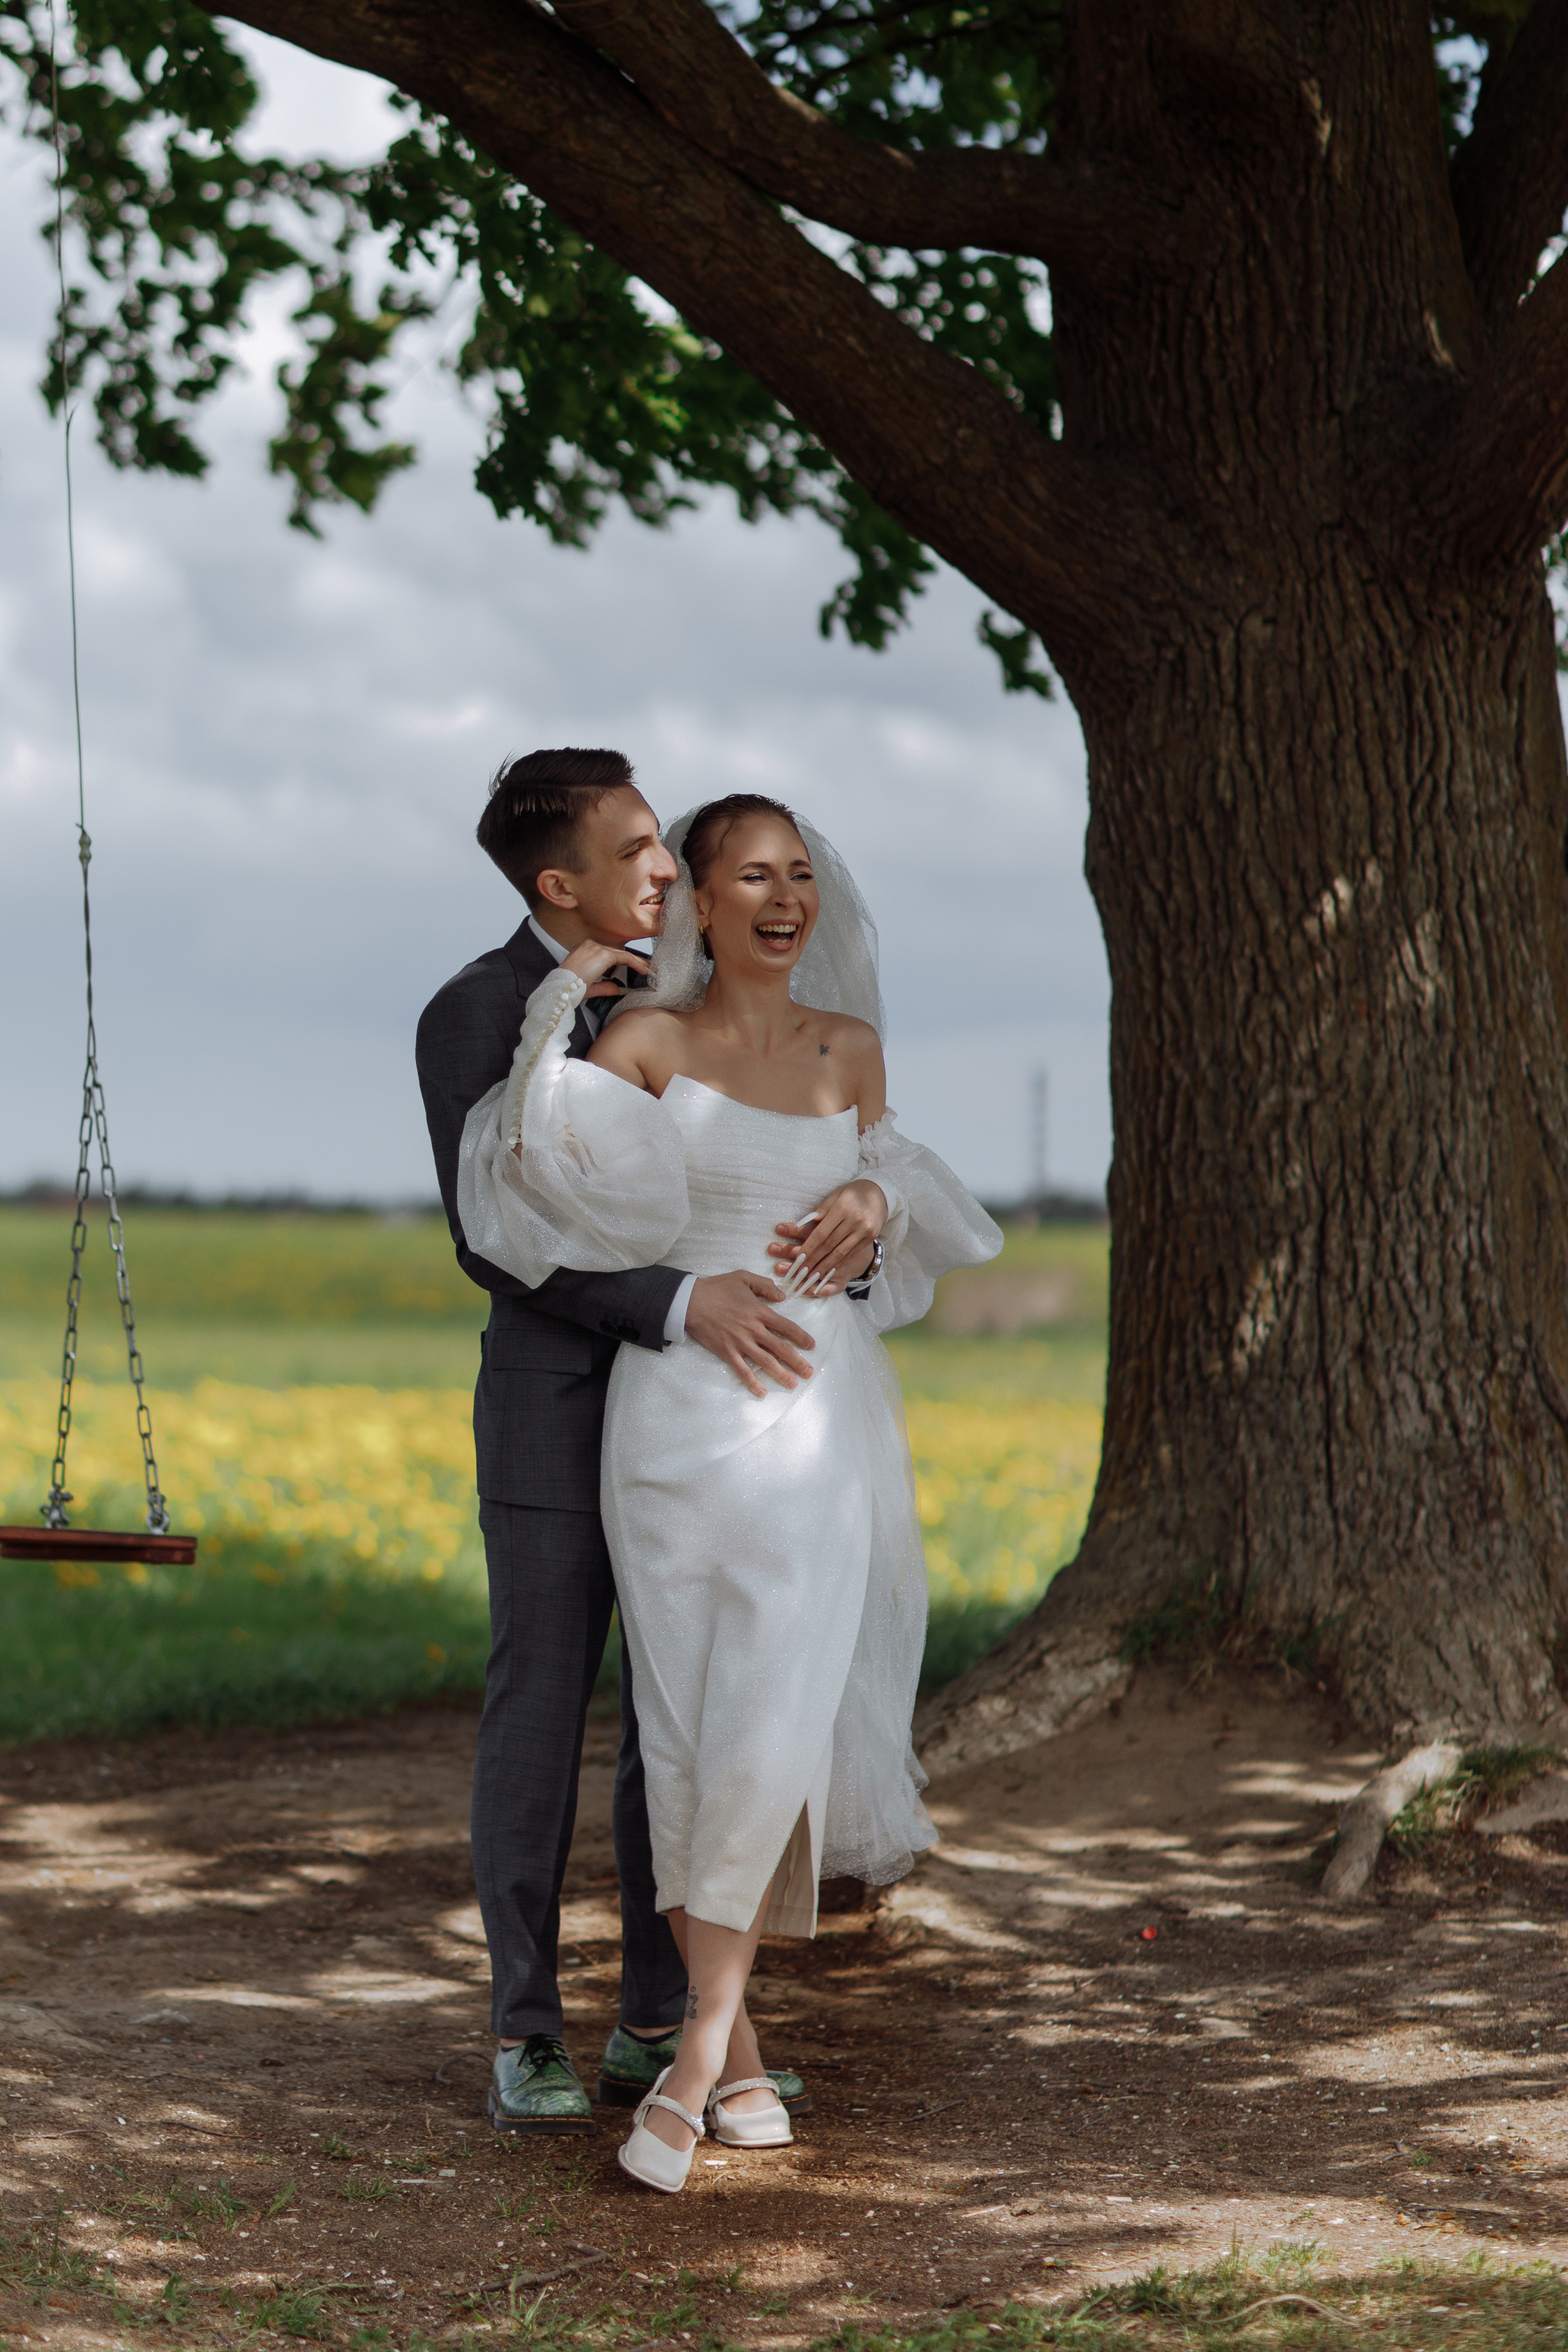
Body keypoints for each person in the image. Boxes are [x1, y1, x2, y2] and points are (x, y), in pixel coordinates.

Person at [456, 792, 1002, 2192]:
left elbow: (892, 1232)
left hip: (815, 1419)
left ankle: (696, 2055)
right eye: (749, 874)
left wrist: (874, 1205)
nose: (783, 898)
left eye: (801, 875)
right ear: (696, 898)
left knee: (778, 1716)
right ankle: (733, 2051)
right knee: (686, 1726)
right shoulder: (638, 1040)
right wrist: (557, 1005)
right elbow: (519, 1186)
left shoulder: (853, 1052)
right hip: (672, 1424)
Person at [416, 752, 829, 2135]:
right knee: (540, 1703)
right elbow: (499, 1244)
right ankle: (523, 2024)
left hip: (697, 1416)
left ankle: (658, 2021)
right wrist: (675, 1303)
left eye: (665, 848)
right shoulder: (471, 1014)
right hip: (552, 1399)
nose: (668, 870)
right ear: (560, 882)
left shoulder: (685, 1001)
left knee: (682, 1714)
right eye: (641, 849)